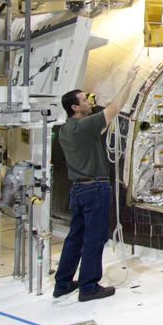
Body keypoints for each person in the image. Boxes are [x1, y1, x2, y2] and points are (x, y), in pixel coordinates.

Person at [53, 66, 139, 303]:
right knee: (94, 238)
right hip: (95, 189)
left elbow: (103, 121)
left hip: (78, 190)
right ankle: (89, 286)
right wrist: (130, 80)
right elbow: (114, 109)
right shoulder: (82, 126)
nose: (89, 101)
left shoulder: (67, 130)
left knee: (75, 237)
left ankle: (62, 283)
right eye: (84, 100)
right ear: (74, 108)